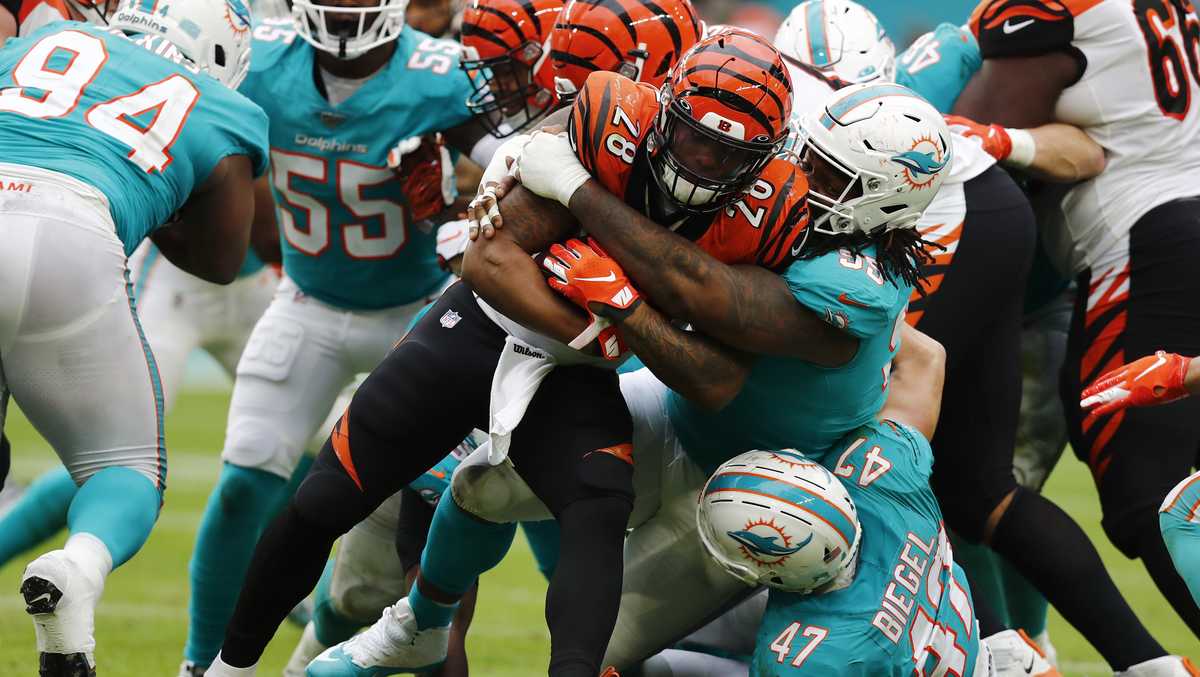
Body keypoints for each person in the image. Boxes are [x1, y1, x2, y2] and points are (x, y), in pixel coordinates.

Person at [177, 0, 499, 673]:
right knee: (243, 482)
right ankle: (198, 664)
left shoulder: (440, 73)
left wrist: (452, 203)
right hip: (307, 301)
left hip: (418, 310)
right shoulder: (258, 56)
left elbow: (514, 179)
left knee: (431, 513)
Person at [0, 0, 268, 673]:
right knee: (125, 468)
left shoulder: (48, 41)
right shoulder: (221, 105)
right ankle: (77, 568)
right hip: (72, 233)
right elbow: (221, 259)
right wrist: (152, 187)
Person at [956, 0, 1200, 649]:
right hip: (1177, 225)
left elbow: (975, 130)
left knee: (1150, 490)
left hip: (1143, 243)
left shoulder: (1057, 10)